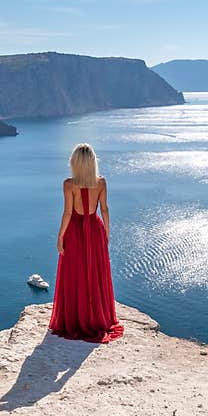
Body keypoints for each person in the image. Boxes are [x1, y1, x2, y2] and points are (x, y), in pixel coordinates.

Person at [49, 143, 124, 343]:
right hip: (95, 229)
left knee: (74, 272)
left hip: (74, 231)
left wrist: (60, 236)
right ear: (92, 163)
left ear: (74, 163)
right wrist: (106, 231)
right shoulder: (101, 182)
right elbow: (105, 209)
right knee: (95, 272)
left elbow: (67, 213)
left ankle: (75, 317)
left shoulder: (68, 184)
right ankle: (97, 315)